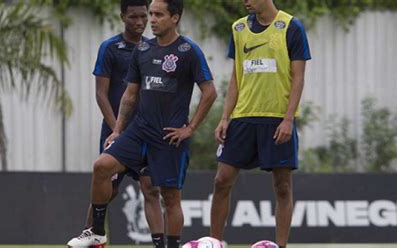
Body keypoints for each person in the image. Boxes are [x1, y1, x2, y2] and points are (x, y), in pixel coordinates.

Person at [67, 0, 217, 247]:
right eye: (152, 14)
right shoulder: (143, 50)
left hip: (168, 135)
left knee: (169, 198)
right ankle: (96, 231)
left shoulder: (188, 51)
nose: (151, 20)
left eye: (158, 14)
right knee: (101, 166)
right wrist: (117, 130)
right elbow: (130, 94)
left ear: (175, 17)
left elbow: (209, 92)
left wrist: (189, 128)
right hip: (138, 131)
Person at [209, 0, 311, 248]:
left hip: (277, 119)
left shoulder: (291, 27)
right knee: (221, 181)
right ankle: (214, 243)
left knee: (282, 186)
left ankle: (281, 245)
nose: (245, 1)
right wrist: (225, 117)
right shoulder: (238, 28)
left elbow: (298, 78)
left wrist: (288, 119)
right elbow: (236, 76)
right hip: (242, 117)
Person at [67, 0, 165, 247]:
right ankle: (92, 235)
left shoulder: (154, 48)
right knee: (108, 189)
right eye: (133, 17)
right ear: (122, 17)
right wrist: (116, 129)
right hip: (116, 130)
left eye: (144, 16)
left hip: (148, 132)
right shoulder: (111, 48)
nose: (140, 22)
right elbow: (101, 93)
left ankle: (159, 244)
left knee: (151, 190)